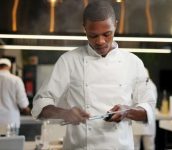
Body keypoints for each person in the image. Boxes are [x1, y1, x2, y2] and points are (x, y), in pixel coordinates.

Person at [31, 1, 156, 149]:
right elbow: (40, 105)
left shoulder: (133, 62)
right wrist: (65, 113)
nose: (100, 41)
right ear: (85, 29)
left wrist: (127, 111)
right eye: (93, 35)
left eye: (107, 34)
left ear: (115, 25)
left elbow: (148, 107)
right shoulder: (69, 61)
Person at [0, 58, 30, 134]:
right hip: (10, 121)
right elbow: (23, 104)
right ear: (9, 67)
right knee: (12, 145)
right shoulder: (16, 80)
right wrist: (30, 112)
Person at [132, 79, 157, 150]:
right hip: (147, 123)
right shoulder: (153, 86)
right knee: (150, 147)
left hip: (137, 123)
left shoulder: (135, 86)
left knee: (135, 147)